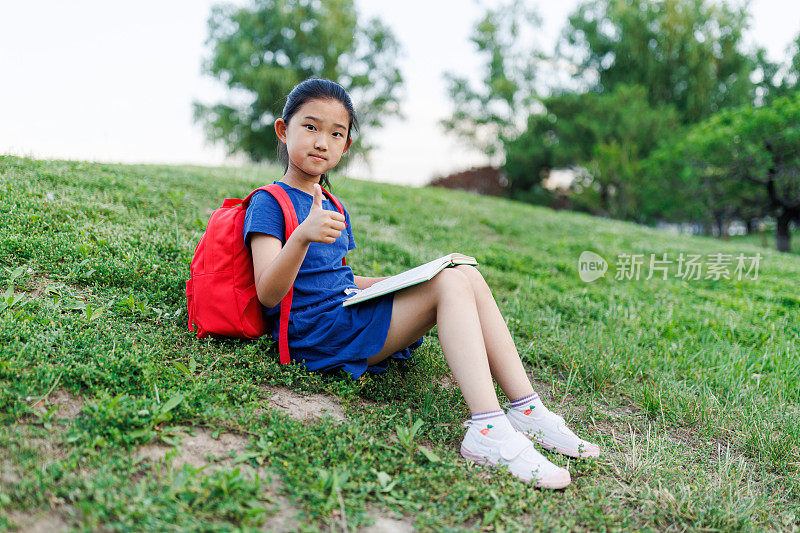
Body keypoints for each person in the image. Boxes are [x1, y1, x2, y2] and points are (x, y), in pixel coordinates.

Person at [244, 77, 599, 489]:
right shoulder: (269, 202)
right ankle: (486, 429)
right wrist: (302, 234)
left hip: (342, 312)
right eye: (310, 127)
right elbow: (268, 291)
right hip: (313, 335)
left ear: (346, 147)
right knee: (448, 285)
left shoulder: (331, 202)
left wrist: (397, 283)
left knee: (462, 272)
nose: (322, 141)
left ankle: (526, 409)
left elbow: (333, 279)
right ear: (283, 131)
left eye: (335, 133)